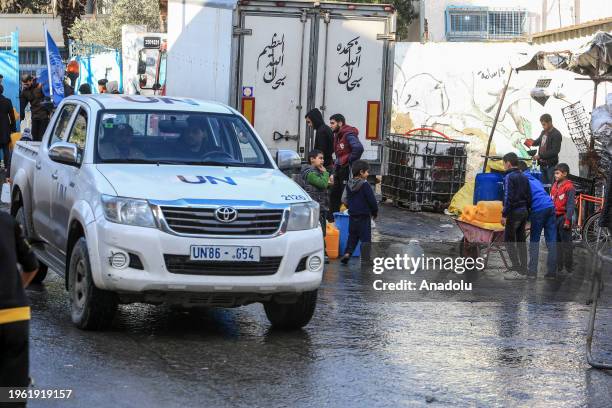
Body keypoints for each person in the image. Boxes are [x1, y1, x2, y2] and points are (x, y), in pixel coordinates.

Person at [0, 212, 39, 393]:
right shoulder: (7, 222)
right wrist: (15, 290)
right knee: (12, 392)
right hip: (15, 315)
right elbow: (32, 265)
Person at [518, 161, 557, 279]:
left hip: (539, 209)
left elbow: (523, 199)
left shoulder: (522, 180)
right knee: (551, 241)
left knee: (534, 240)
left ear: (519, 171)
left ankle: (532, 272)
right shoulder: (534, 179)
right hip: (550, 207)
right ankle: (552, 272)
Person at [340, 160, 378, 264]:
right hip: (364, 216)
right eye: (367, 172)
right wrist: (375, 212)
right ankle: (366, 259)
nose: (368, 174)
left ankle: (347, 253)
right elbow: (372, 200)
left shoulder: (349, 184)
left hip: (352, 215)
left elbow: (344, 199)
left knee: (352, 236)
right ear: (361, 172)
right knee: (365, 238)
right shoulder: (365, 185)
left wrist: (350, 206)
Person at [501, 152, 532, 280]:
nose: (503, 166)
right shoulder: (524, 176)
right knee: (521, 241)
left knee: (508, 240)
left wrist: (504, 214)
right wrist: (528, 212)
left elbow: (508, 197)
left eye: (503, 164)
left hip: (514, 212)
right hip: (524, 211)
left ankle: (516, 268)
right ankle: (523, 269)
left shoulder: (509, 177)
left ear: (508, 163)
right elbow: (529, 196)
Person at [329, 113, 363, 221]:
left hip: (346, 170)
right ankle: (332, 220)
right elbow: (339, 156)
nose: (331, 125)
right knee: (334, 194)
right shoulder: (338, 135)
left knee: (346, 196)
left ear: (340, 123)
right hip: (339, 169)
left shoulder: (348, 134)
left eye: (332, 123)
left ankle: (354, 219)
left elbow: (358, 148)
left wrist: (348, 161)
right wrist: (334, 171)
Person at [301, 149, 331, 261]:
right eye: (320, 158)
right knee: (319, 231)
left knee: (322, 230)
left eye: (323, 158)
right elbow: (322, 184)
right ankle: (322, 253)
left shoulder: (316, 172)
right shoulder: (310, 173)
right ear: (312, 159)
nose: (322, 161)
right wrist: (325, 173)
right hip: (315, 207)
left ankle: (323, 252)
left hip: (320, 206)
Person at [550, 163, 576, 276]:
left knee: (566, 243)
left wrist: (567, 220)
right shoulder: (554, 185)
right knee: (556, 243)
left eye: (557, 173)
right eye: (555, 173)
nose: (555, 175)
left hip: (564, 218)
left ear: (565, 174)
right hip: (554, 218)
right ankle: (559, 265)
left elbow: (570, 205)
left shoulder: (569, 187)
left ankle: (569, 266)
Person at [524, 114, 562, 187]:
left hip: (551, 166)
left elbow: (555, 151)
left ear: (550, 122)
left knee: (551, 186)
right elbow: (538, 141)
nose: (543, 126)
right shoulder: (543, 132)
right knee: (542, 185)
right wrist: (531, 142)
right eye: (542, 125)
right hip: (541, 164)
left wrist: (540, 156)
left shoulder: (556, 134)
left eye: (544, 124)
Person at [19, 75, 49, 142]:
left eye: (27, 84)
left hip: (44, 116)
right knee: (34, 138)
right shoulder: (25, 91)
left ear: (31, 80)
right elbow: (22, 105)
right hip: (35, 117)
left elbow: (48, 98)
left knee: (42, 138)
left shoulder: (40, 85)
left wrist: (48, 111)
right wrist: (21, 116)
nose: (26, 86)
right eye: (24, 85)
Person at [0, 85, 16, 174]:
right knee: (6, 148)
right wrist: (13, 128)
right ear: (2, 91)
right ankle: (6, 168)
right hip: (5, 128)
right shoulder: (7, 101)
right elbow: (12, 116)